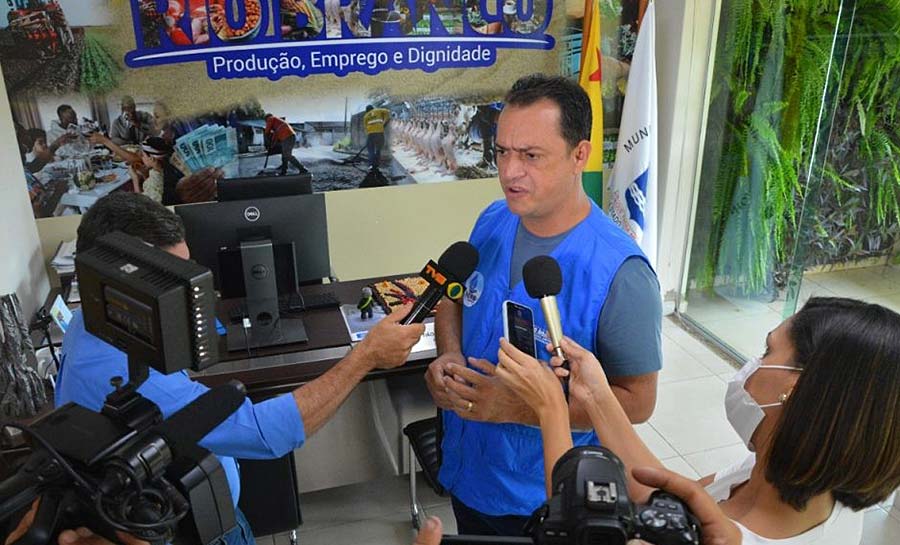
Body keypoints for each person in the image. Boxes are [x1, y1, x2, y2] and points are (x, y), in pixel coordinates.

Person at [54, 192, 426, 545]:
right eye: (170, 281)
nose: (185, 293)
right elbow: (265, 434)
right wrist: (366, 356)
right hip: (195, 532)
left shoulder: (91, 319)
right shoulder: (113, 370)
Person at [424, 73, 662, 536]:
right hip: (468, 471)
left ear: (580, 155)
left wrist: (518, 408)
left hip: (539, 498)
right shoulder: (494, 220)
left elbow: (637, 403)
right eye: (502, 152)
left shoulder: (621, 273)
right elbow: (454, 298)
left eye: (531, 156)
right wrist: (448, 355)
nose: (510, 173)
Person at [496, 296, 900, 544]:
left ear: (796, 389)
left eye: (767, 352)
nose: (752, 365)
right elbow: (666, 495)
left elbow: (571, 521)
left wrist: (550, 409)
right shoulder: (789, 473)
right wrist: (597, 395)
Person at [132, 136, 184, 204]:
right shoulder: (170, 166)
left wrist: (135, 179)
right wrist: (145, 175)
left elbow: (142, 204)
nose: (142, 158)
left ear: (152, 158)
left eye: (143, 155)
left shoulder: (162, 178)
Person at [363, 104, 390, 169]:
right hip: (380, 133)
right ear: (373, 108)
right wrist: (384, 121)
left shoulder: (365, 116)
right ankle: (377, 164)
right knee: (378, 149)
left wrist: (368, 134)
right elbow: (387, 111)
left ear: (367, 110)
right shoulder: (378, 110)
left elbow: (365, 127)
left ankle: (371, 165)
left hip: (371, 134)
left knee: (370, 150)